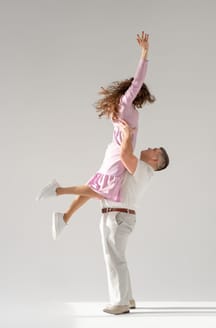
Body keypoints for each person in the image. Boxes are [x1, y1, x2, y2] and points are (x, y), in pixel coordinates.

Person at [36, 31, 156, 240]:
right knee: (100, 190)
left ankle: (64, 217)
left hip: (115, 151)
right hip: (119, 153)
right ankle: (58, 191)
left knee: (96, 187)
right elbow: (137, 81)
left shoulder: (121, 106)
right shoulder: (126, 103)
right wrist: (144, 54)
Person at [100, 119, 169, 315]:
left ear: (155, 160)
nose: (148, 147)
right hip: (120, 217)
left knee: (114, 259)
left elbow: (123, 155)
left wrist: (127, 133)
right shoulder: (144, 171)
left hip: (117, 217)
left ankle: (120, 302)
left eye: (153, 149)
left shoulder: (143, 168)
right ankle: (127, 298)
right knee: (118, 258)